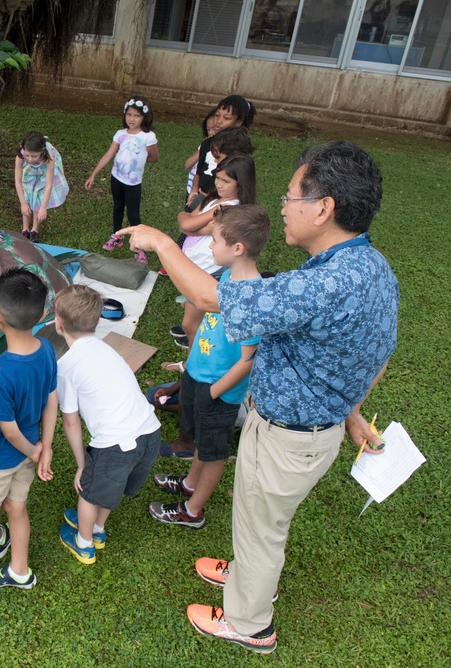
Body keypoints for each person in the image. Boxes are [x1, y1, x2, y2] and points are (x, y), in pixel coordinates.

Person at [119, 141, 398, 654]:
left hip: (289, 439)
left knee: (261, 529)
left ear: (324, 208)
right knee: (261, 521)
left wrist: (162, 241)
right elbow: (374, 350)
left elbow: (210, 298)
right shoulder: (371, 266)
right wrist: (352, 410)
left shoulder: (328, 283)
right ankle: (247, 576)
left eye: (292, 197)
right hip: (307, 433)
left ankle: (249, 623)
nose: (285, 207)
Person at [148, 205, 268, 530]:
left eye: (215, 241)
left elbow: (248, 359)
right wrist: (191, 370)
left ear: (238, 248)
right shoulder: (228, 276)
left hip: (221, 391)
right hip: (199, 376)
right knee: (202, 440)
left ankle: (192, 510)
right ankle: (189, 483)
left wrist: (214, 391)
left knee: (213, 451)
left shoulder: (252, 297)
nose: (210, 247)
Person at [52, 284, 161, 565]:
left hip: (115, 445)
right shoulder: (107, 349)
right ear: (98, 320)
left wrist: (82, 464)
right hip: (150, 432)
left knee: (89, 494)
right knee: (113, 484)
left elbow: (71, 422)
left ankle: (84, 543)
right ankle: (98, 530)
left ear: (58, 323)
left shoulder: (66, 367)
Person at [0, 268, 57, 590]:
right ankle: (20, 571)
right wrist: (44, 446)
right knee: (17, 507)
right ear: (43, 313)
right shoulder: (47, 349)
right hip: (30, 451)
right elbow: (52, 397)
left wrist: (37, 450)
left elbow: (7, 431)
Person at [173, 153, 256, 349]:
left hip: (209, 270)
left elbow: (187, 225)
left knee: (191, 325)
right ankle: (194, 362)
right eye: (217, 177)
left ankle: (193, 366)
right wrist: (187, 221)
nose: (218, 184)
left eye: (226, 181)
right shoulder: (214, 200)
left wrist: (183, 217)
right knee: (195, 322)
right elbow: (188, 225)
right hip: (197, 266)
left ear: (241, 183)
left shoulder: (230, 209)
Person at [85, 95, 158, 263]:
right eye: (129, 114)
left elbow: (154, 157)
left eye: (137, 116)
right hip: (116, 178)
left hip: (133, 183)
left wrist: (137, 159)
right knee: (118, 207)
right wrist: (93, 174)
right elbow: (109, 154)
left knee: (133, 214)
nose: (132, 119)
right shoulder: (120, 134)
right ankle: (116, 236)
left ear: (144, 117)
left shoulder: (148, 136)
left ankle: (138, 247)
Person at [187, 95, 256, 210]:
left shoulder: (238, 151)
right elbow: (198, 173)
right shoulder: (206, 143)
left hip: (220, 202)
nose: (218, 121)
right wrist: (194, 190)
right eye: (217, 115)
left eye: (226, 118)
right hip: (200, 196)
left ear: (238, 122)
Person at [13, 131, 69, 243]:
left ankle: (34, 230)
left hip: (44, 172)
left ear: (42, 151)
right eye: (27, 155)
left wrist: (43, 207)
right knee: (28, 194)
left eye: (34, 156)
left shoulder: (49, 157)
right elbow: (18, 181)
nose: (29, 159)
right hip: (30, 171)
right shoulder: (21, 155)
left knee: (38, 197)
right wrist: (23, 203)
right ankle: (25, 229)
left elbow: (49, 184)